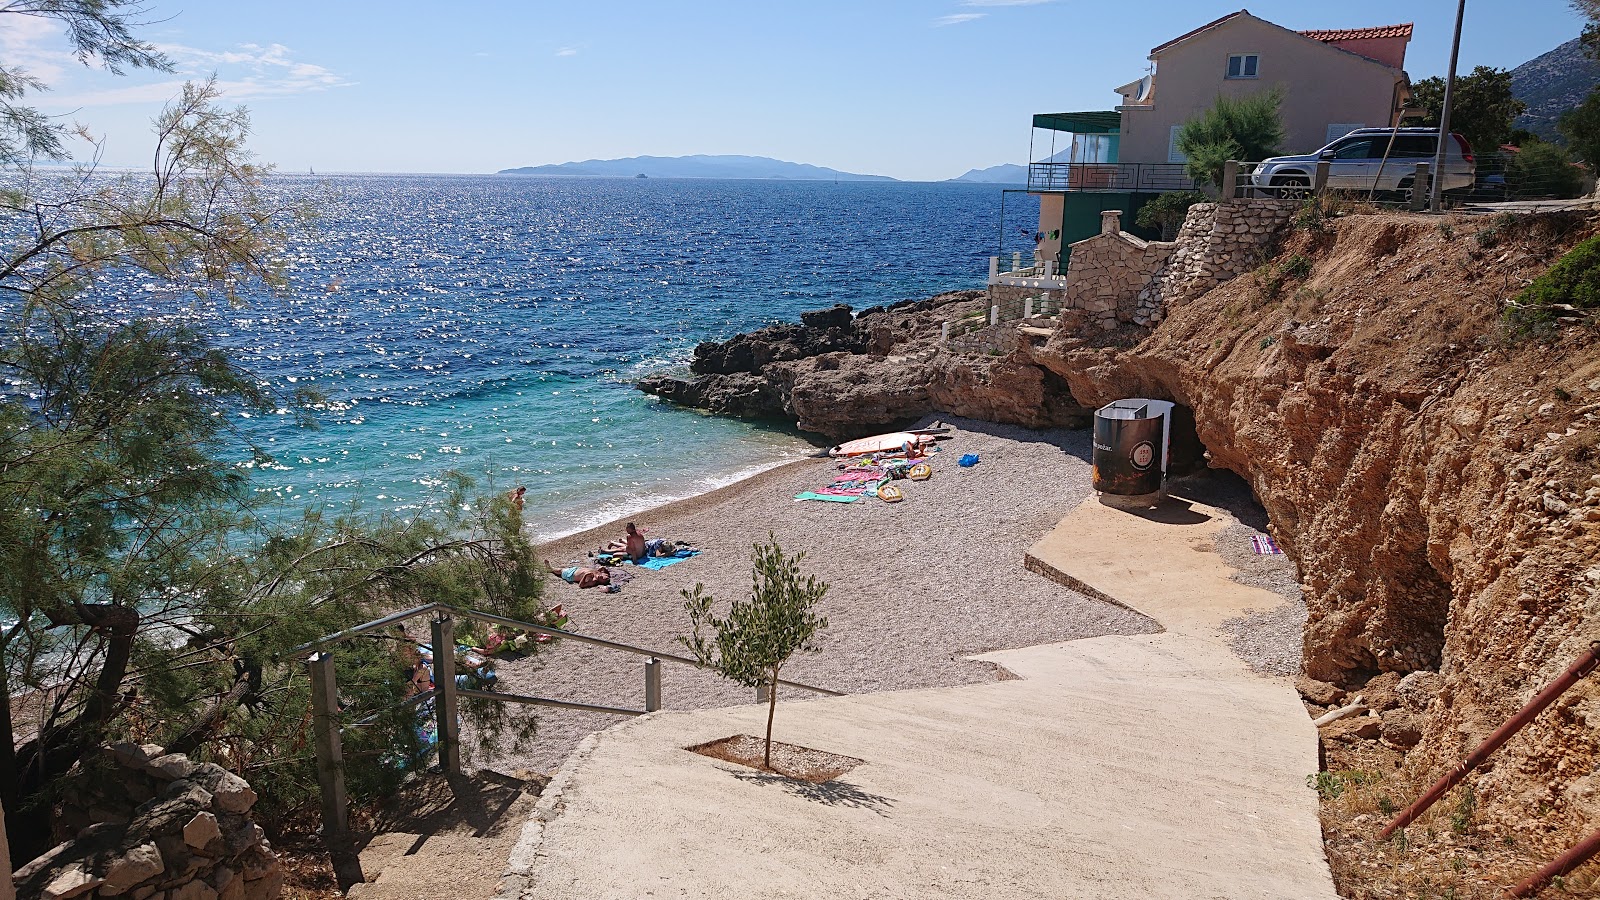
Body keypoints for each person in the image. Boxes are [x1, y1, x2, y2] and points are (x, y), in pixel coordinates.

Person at [545, 560, 611, 589]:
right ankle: (552, 569)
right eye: (603, 576)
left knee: (561, 571)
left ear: (600, 582)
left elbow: (581, 585)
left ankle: (551, 569)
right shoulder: (600, 573)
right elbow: (608, 574)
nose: (601, 576)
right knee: (562, 569)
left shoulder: (593, 581)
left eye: (601, 578)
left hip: (571, 575)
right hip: (576, 569)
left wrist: (585, 575)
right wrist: (603, 568)